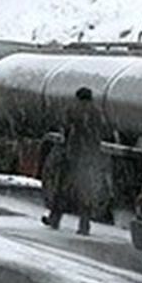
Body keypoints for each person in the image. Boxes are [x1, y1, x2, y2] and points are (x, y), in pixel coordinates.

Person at [43, 87, 110, 235]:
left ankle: (55, 219)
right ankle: (84, 225)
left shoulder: (73, 110)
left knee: (62, 189)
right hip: (89, 157)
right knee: (84, 191)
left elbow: (65, 130)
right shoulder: (97, 113)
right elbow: (102, 133)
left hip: (72, 155)